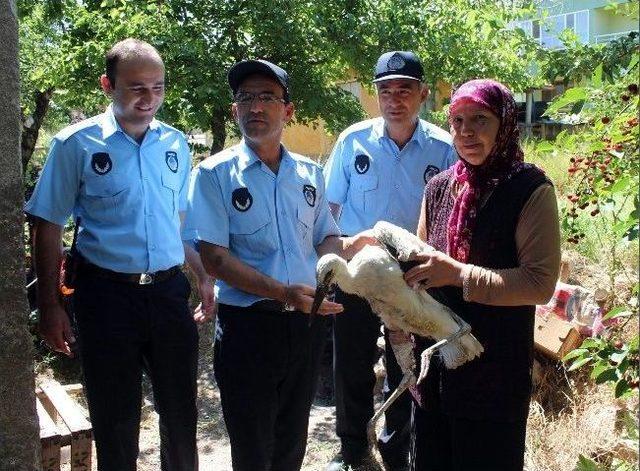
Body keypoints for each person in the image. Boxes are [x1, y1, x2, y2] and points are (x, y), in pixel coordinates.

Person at [25, 38, 214, 471]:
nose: (149, 99)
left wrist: (202, 276)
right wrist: (51, 306)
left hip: (167, 294)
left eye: (158, 87)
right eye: (137, 88)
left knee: (181, 412)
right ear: (108, 85)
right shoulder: (76, 144)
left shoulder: (175, 144)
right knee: (116, 419)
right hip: (105, 296)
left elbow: (178, 221)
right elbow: (47, 224)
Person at [182, 59, 375, 471]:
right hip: (248, 328)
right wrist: (284, 293)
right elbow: (214, 259)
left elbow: (323, 236)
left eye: (267, 97)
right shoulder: (215, 175)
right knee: (253, 446)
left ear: (288, 110)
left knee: (292, 440)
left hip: (305, 324)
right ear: (235, 110)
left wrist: (350, 244)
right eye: (245, 98)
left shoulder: (309, 173)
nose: (255, 107)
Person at [402, 79, 561, 470]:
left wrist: (458, 275)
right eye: (457, 121)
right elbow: (420, 269)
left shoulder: (529, 188)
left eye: (480, 119)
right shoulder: (439, 187)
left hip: (494, 375)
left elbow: (539, 284)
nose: (466, 131)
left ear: (505, 123)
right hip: (435, 371)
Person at [322, 50, 456, 470]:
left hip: (414, 277)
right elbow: (329, 210)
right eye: (385, 91)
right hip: (360, 273)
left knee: (407, 367)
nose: (394, 99)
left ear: (423, 94)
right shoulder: (353, 140)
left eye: (404, 90)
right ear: (375, 95)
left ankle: (396, 451)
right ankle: (353, 452)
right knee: (352, 364)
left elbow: (452, 217)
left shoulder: (444, 147)